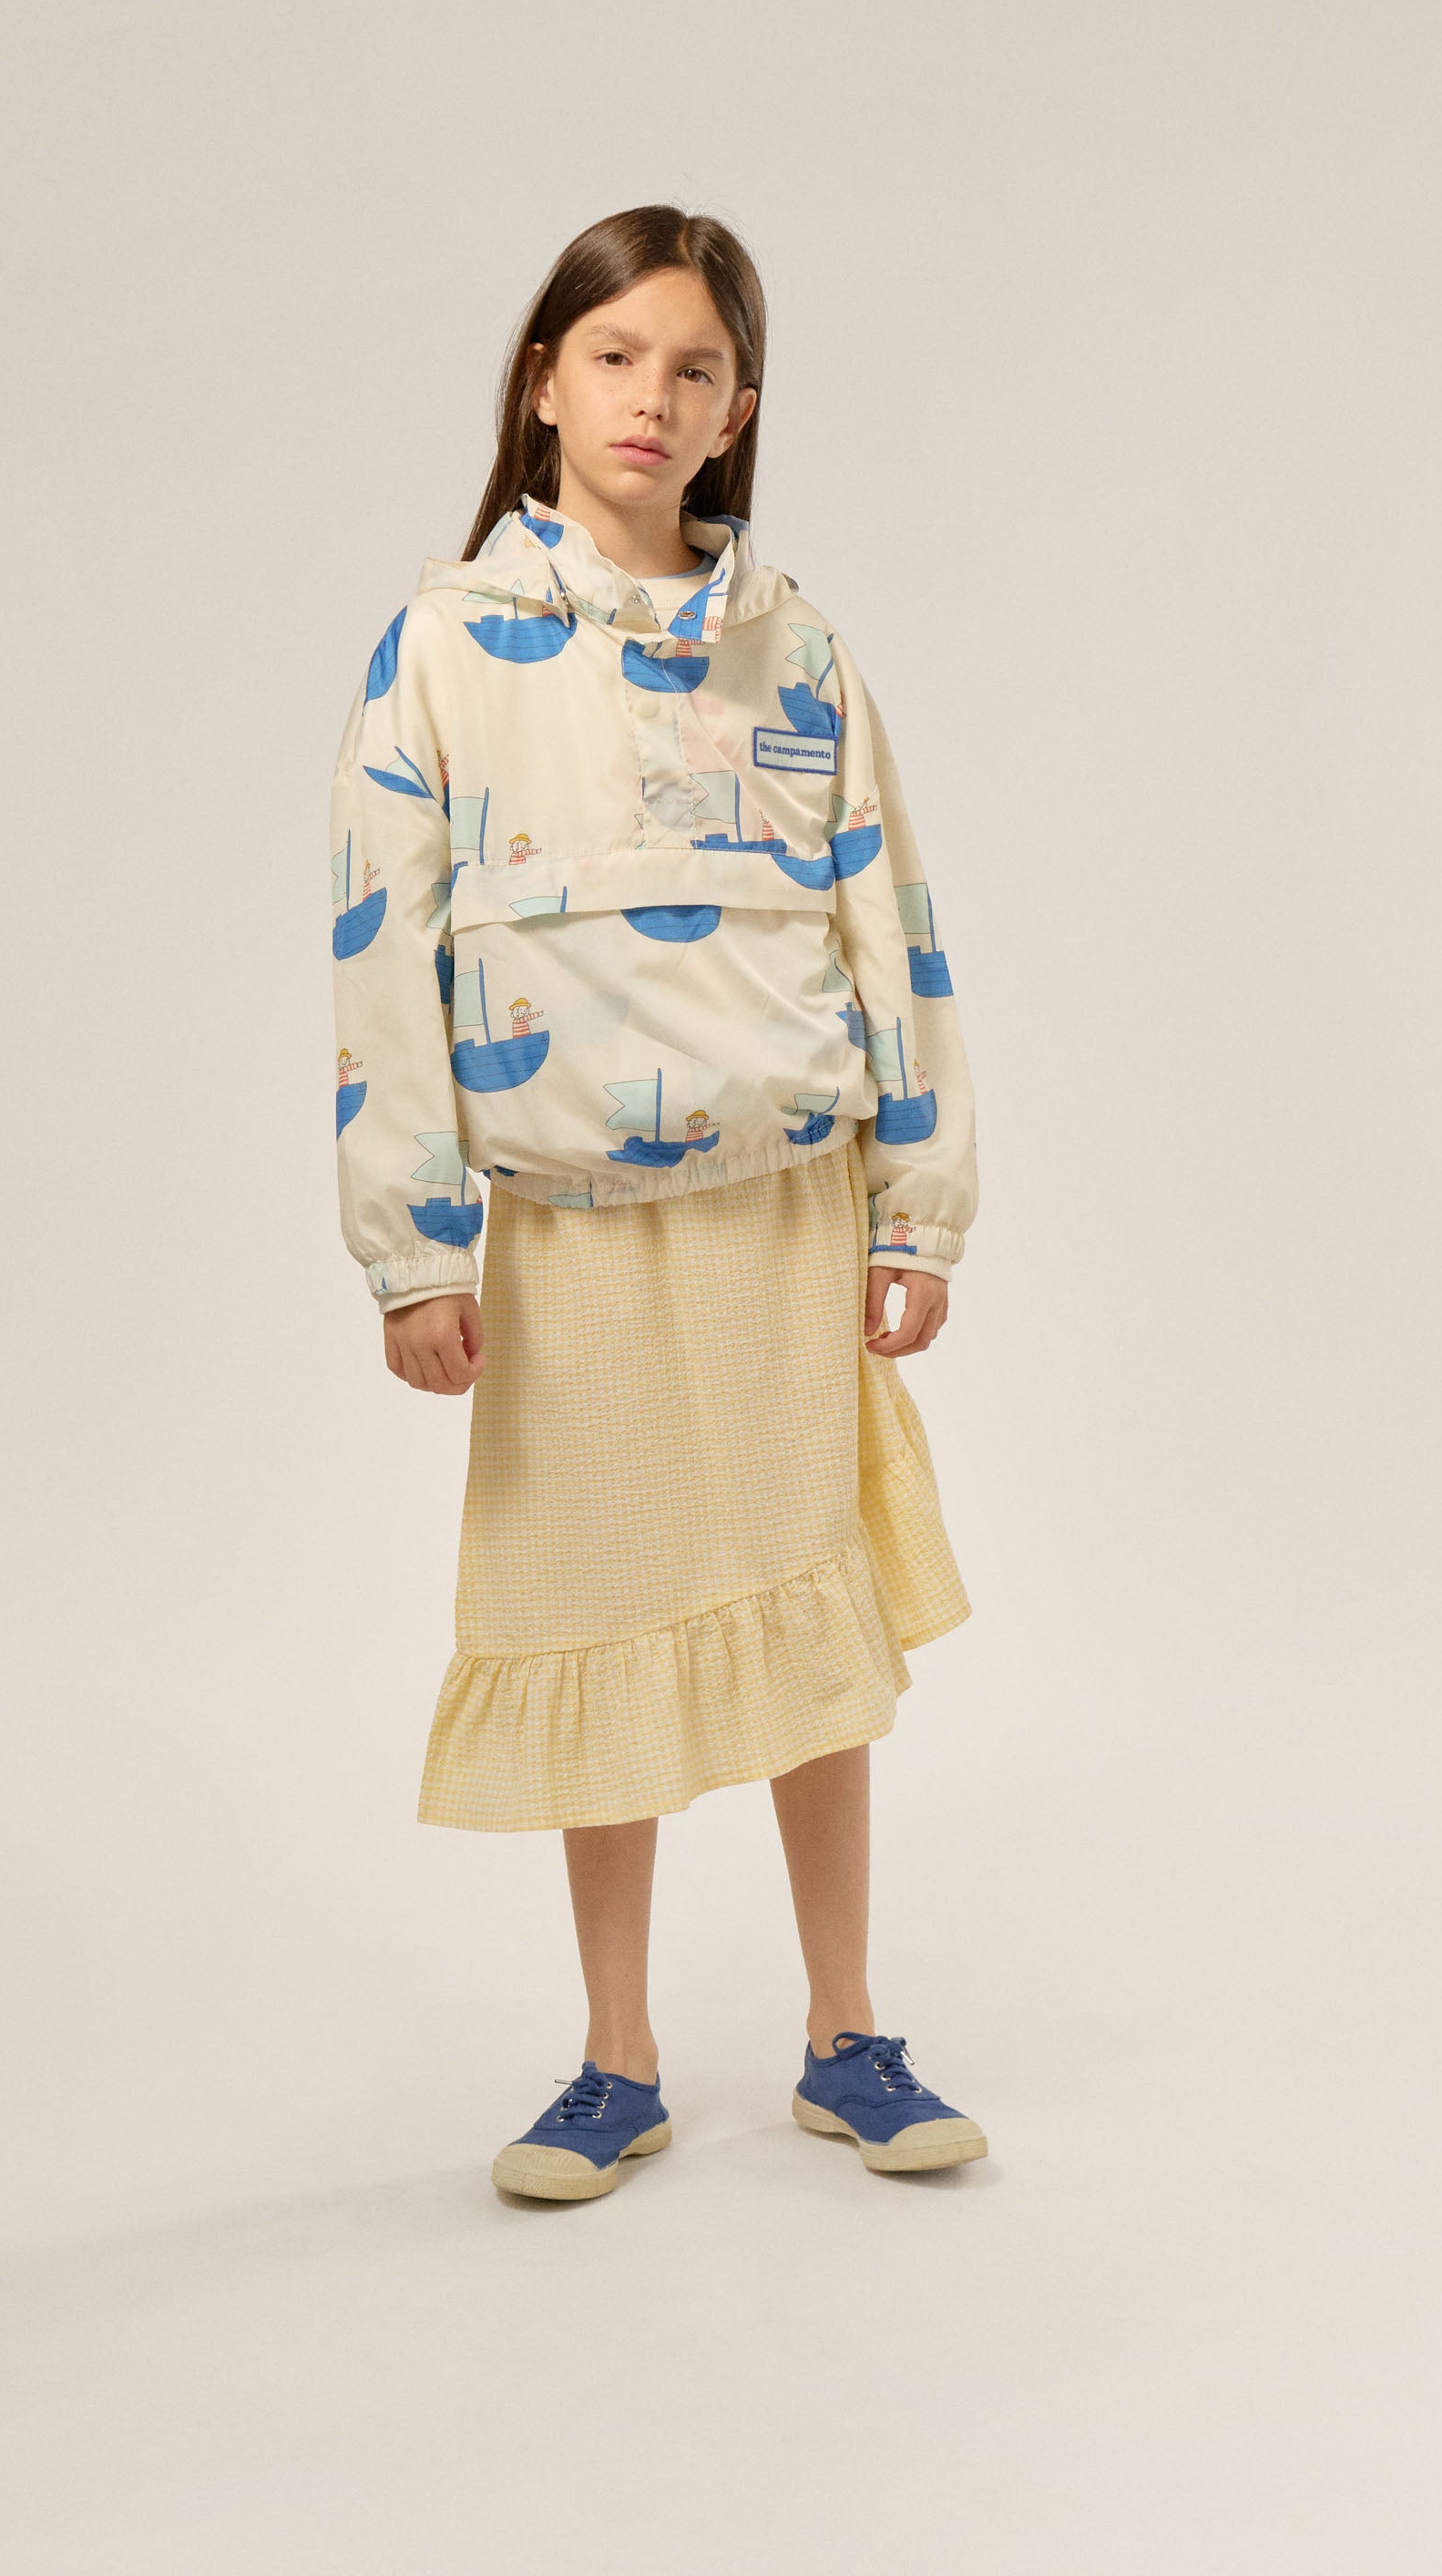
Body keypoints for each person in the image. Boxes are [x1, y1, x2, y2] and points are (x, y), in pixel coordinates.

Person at [327, 204, 985, 2201]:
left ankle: (846, 2035)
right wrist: (413, 1248)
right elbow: (382, 965)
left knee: (806, 1605)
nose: (652, 396)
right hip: (574, 1235)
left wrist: (914, 1206)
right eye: (616, 355)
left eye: (695, 368)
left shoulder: (800, 649)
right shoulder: (445, 652)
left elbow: (891, 922)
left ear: (736, 413)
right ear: (545, 381)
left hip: (787, 1206)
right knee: (591, 1611)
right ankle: (615, 2057)